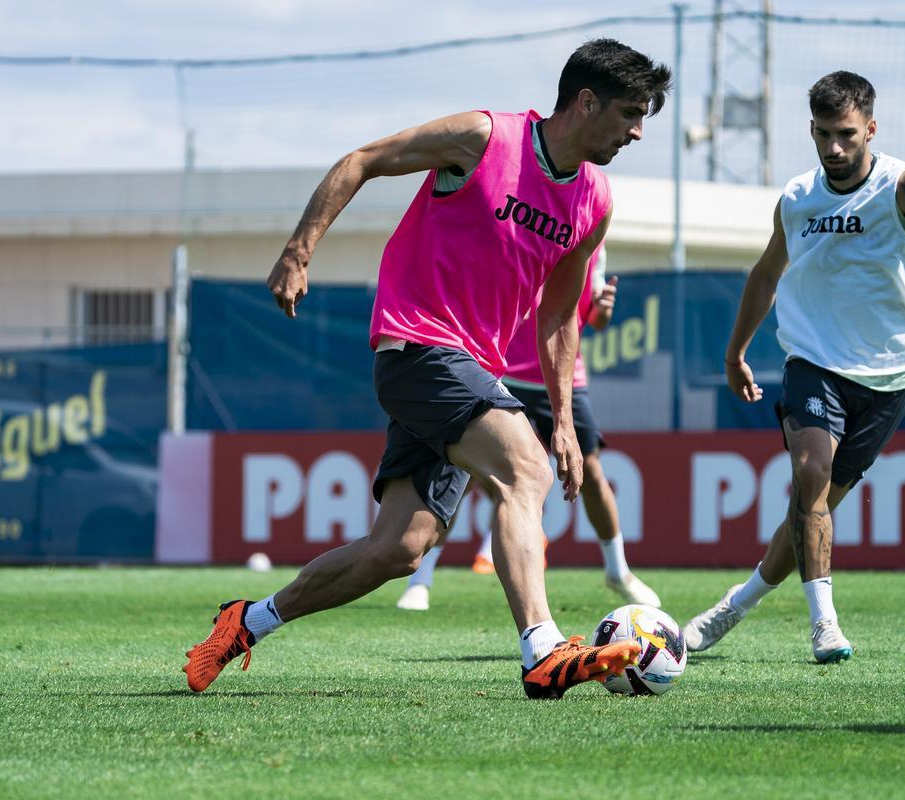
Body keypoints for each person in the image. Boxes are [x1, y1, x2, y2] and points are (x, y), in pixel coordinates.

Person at [183, 39, 672, 699]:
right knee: (521, 472)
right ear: (587, 102)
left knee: (399, 549)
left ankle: (248, 622)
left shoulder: (594, 200)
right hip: (416, 347)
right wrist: (299, 251)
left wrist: (561, 419)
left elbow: (560, 317)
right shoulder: (483, 138)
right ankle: (542, 650)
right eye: (631, 114)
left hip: (475, 369)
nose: (639, 131)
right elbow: (362, 160)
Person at [681, 71, 905, 663]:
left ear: (870, 128)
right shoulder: (797, 199)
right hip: (813, 362)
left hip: (889, 378)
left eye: (847, 134)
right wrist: (734, 352)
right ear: (812, 130)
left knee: (811, 509)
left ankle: (734, 605)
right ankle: (824, 624)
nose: (834, 148)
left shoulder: (902, 187)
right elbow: (766, 275)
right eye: (823, 134)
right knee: (810, 474)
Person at [397, 245, 661, 612]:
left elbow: (591, 316)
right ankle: (421, 579)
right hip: (499, 368)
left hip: (563, 377)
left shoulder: (593, 237)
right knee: (463, 474)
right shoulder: (522, 220)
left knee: (592, 472)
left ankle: (618, 572)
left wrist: (602, 311)